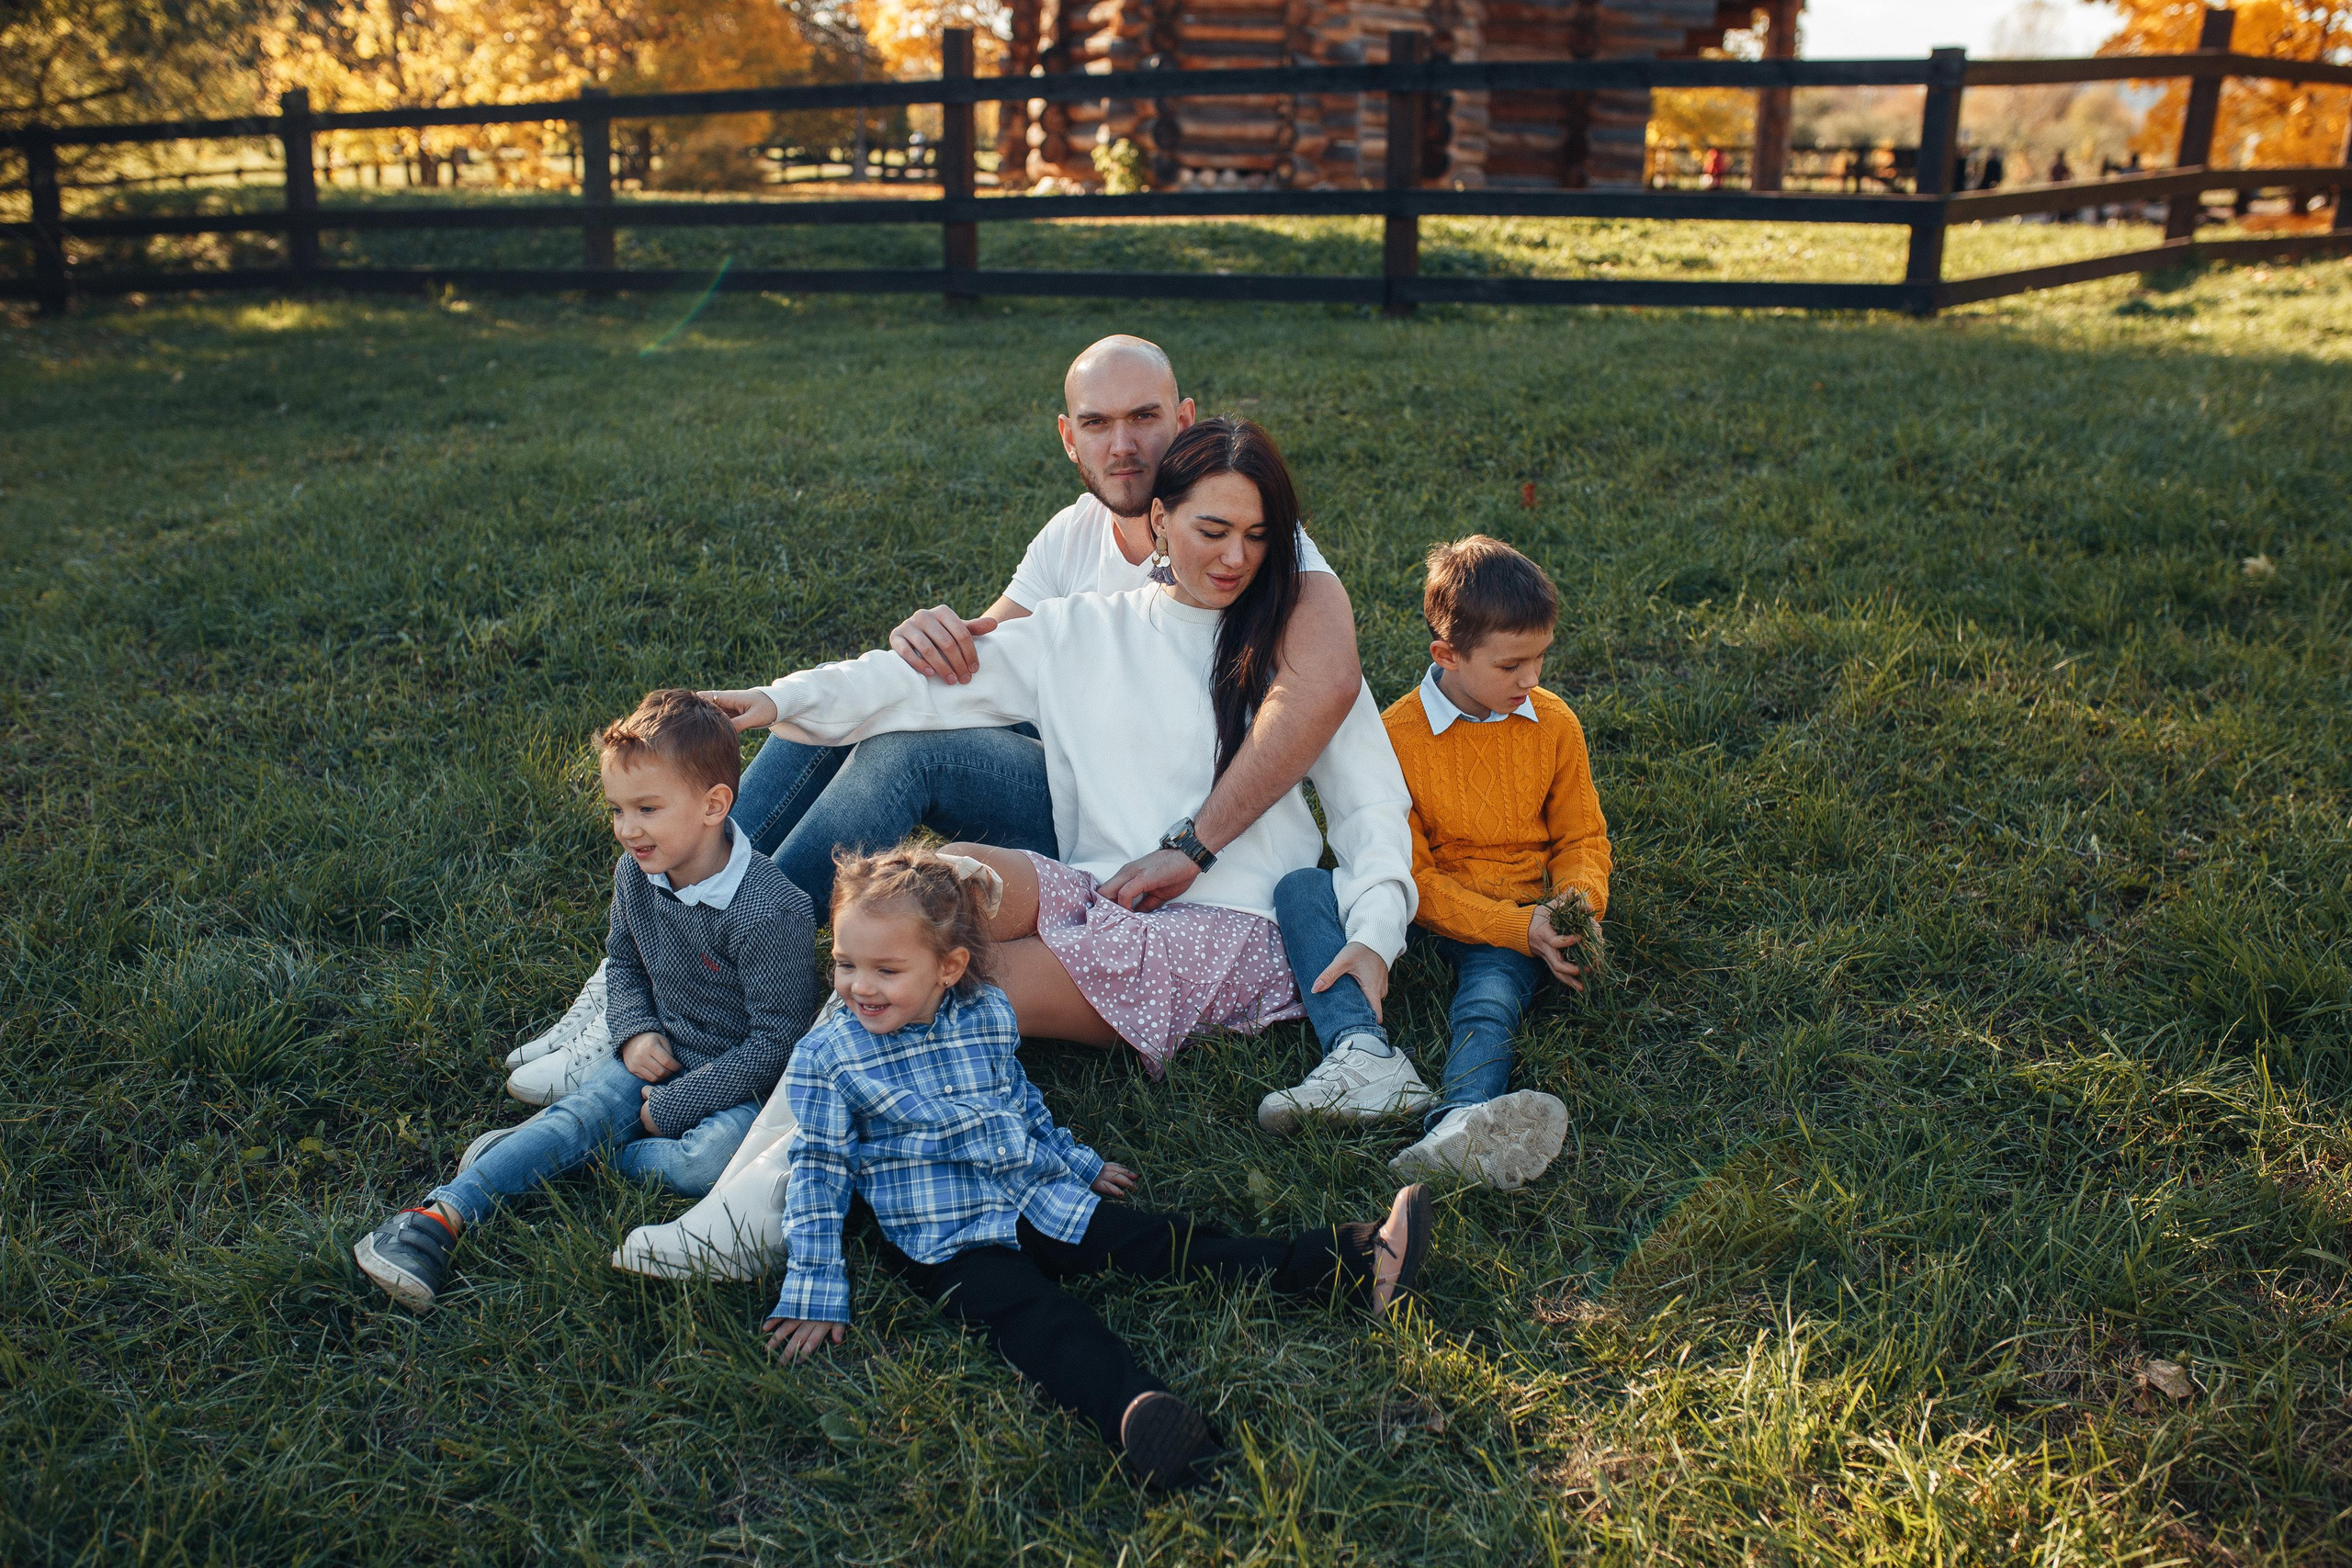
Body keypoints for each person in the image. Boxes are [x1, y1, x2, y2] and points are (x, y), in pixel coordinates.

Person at [503, 335, 1365, 1104]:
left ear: (1183, 420)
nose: (1125, 443)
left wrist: (1212, 849)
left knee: (898, 753)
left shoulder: (1249, 537)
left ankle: (719, 953)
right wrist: (853, 667)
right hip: (1077, 783)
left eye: (1144, 417)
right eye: (1097, 423)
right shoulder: (1073, 535)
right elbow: (971, 664)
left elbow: (1325, 689)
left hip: (1143, 829)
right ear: (1068, 438)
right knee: (863, 717)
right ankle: (670, 941)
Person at [707, 417, 1417, 1081]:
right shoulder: (1080, 629)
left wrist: (1376, 933)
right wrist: (780, 699)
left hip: (1234, 927)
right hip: (1100, 891)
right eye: (1214, 529)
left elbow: (1372, 804)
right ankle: (731, 964)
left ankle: (742, 1152)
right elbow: (918, 685)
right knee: (925, 896)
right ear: (1161, 521)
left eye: (1259, 536)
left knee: (936, 983)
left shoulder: (1299, 653)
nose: (1237, 557)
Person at [760, 841, 1432, 1492]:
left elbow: (1017, 1099)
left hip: (1030, 1190)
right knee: (1038, 1320)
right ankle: (1141, 1415)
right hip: (942, 1237)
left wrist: (1074, 1162)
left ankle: (1348, 1261)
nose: (859, 987)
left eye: (885, 969)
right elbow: (818, 1173)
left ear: (949, 966)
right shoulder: (829, 1057)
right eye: (846, 964)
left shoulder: (986, 1012)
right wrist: (815, 1285)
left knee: (1154, 1240)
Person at [351, 691, 821, 1307]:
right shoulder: (638, 872)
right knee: (582, 1115)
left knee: (702, 1163)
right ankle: (435, 1217)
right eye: (617, 810)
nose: (628, 830)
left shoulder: (771, 909)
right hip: (660, 1051)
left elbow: (775, 1043)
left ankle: (545, 1156)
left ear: (714, 805)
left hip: (742, 1087)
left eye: (647, 808)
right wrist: (634, 1031)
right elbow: (623, 964)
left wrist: (676, 1105)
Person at [1270, 538, 1609, 1191]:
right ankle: (1360, 1050)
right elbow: (1412, 877)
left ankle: (1460, 1118)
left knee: (1489, 999)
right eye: (1512, 664)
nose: (1531, 678)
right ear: (1447, 655)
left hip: (1512, 917)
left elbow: (1582, 837)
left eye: (1540, 657)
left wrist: (1571, 909)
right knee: (1303, 888)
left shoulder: (1555, 723)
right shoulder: (1397, 736)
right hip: (1415, 904)